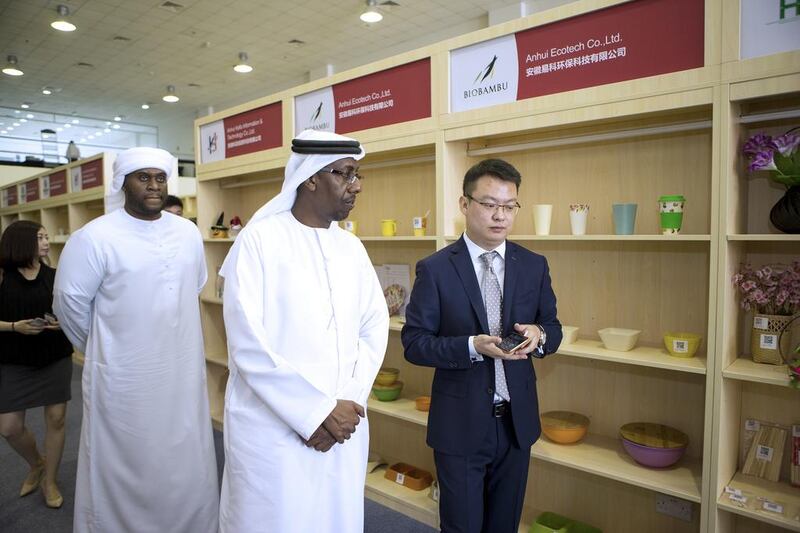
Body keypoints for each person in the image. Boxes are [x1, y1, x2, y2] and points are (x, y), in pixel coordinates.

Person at [218, 129, 389, 533]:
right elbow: (247, 345)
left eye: (357, 175)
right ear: (311, 176)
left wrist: (348, 400)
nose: (356, 185)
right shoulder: (258, 241)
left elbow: (373, 326)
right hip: (274, 429)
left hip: (344, 423)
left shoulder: (351, 248)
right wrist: (314, 413)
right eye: (345, 174)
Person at [53, 147, 219, 533]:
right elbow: (69, 304)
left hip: (180, 372)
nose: (154, 185)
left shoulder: (187, 232)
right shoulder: (94, 237)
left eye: (160, 178)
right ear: (122, 182)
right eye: (143, 177)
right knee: (125, 459)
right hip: (124, 378)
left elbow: (193, 285)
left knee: (184, 458)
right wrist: (104, 349)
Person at [402, 158, 562, 533]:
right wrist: (473, 346)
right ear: (464, 204)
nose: (500, 216)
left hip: (516, 423)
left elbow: (553, 328)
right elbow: (415, 343)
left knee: (504, 526)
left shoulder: (533, 265)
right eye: (489, 204)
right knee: (462, 526)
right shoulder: (436, 268)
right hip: (460, 426)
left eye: (509, 206)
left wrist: (539, 335)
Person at [0, 221, 73, 509]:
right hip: (13, 359)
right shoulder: (3, 274)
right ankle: (37, 463)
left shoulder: (56, 275)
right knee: (9, 427)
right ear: (20, 242)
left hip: (54, 355)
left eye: (46, 236)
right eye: (40, 237)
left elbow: (72, 310)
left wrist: (61, 322)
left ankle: (50, 480)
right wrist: (14, 326)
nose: (46, 241)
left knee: (56, 419)